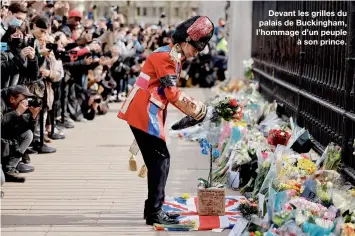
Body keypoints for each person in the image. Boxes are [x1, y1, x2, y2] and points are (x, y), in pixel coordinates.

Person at [117, 16, 215, 225]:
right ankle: (154, 212)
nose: (196, 52)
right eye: (195, 48)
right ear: (184, 41)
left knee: (158, 162)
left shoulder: (171, 55)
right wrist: (200, 110)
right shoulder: (167, 57)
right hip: (143, 112)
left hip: (146, 111)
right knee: (161, 161)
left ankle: (153, 209)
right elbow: (172, 94)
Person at [1, 85, 40, 182]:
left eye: (27, 99)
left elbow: (27, 130)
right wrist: (17, 112)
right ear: (12, 99)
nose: (25, 103)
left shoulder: (19, 105)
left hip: (6, 136)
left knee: (28, 134)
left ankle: (10, 168)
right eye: (22, 100)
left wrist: (33, 117)